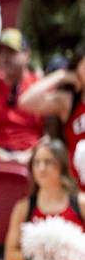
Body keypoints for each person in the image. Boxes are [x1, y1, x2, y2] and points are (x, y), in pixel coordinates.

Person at [0, 29, 44, 164]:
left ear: (27, 54)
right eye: (0, 53)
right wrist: (0, 155)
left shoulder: (42, 89)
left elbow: (51, 136)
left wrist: (29, 155)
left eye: (11, 52)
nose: (4, 58)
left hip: (34, 156)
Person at [19, 52, 85, 190]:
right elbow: (25, 101)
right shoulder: (68, 102)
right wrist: (61, 75)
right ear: (77, 68)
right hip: (78, 192)